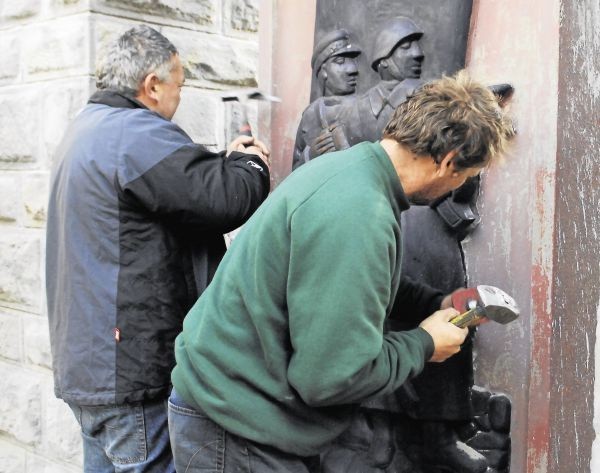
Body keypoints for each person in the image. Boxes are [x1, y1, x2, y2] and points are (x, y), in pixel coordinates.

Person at [169, 71, 514, 472]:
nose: (459, 187)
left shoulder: (354, 172)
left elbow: (351, 279)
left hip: (235, 411)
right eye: (464, 178)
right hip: (236, 430)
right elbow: (329, 378)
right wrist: (424, 344)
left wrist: (433, 302)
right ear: (449, 163)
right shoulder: (358, 213)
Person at [46, 24, 271, 472]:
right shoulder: (134, 133)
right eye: (179, 87)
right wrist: (251, 163)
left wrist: (221, 164)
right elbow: (223, 199)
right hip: (128, 374)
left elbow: (184, 187)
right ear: (152, 86)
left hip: (92, 369)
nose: (178, 98)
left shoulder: (88, 130)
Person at [292, 29, 361, 170]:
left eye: (353, 61)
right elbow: (294, 171)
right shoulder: (310, 114)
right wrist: (310, 156)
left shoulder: (365, 107)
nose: (352, 69)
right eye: (340, 61)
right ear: (323, 71)